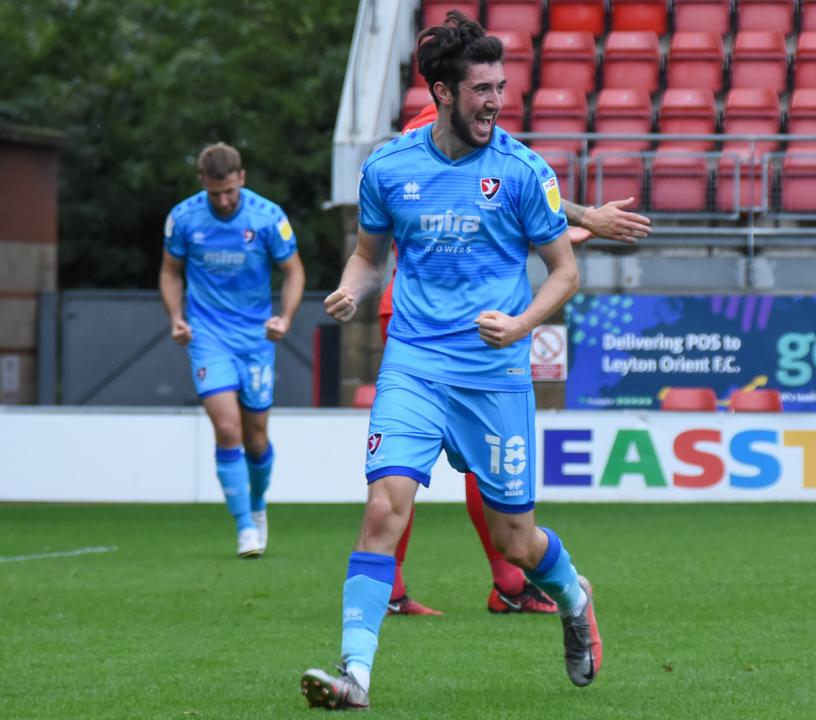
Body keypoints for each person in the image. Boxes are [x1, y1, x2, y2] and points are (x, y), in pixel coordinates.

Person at [301, 12, 602, 709]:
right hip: (413, 362)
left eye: (501, 88)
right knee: (384, 507)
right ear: (441, 92)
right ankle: (356, 674)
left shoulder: (524, 171)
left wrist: (523, 322)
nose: (496, 102)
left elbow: (564, 272)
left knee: (517, 542)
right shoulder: (390, 167)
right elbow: (370, 256)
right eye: (481, 90)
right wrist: (349, 289)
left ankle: (572, 596)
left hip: (494, 374)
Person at [382, 104, 652, 617]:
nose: (491, 99)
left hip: (454, 311)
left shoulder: (478, 138)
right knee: (402, 469)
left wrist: (543, 228)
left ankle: (507, 581)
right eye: (481, 84)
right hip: (419, 317)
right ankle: (398, 588)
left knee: (472, 465)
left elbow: (480, 213)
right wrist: (582, 214)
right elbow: (459, 199)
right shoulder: (430, 126)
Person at [159, 142, 305, 558]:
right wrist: (176, 317)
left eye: (229, 191)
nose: (223, 201)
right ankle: (243, 527)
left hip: (257, 339)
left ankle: (257, 508)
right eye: (214, 192)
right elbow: (170, 272)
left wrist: (285, 317)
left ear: (241, 178)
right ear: (202, 183)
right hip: (208, 336)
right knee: (227, 430)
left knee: (257, 440)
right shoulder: (184, 218)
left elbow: (293, 271)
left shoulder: (268, 217)